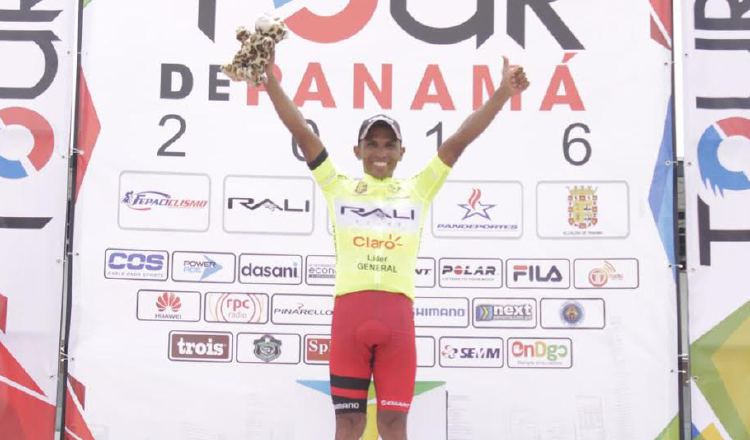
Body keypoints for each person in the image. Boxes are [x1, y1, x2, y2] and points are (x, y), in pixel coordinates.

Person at [262, 50, 529, 440]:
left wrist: (502, 94)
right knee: (348, 425)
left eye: (389, 145)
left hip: (397, 322)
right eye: (372, 144)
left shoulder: (418, 188)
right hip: (349, 319)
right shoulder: (337, 185)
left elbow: (459, 141)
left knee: (393, 426)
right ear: (358, 151)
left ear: (402, 152)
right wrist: (269, 79)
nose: (381, 153)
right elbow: (302, 132)